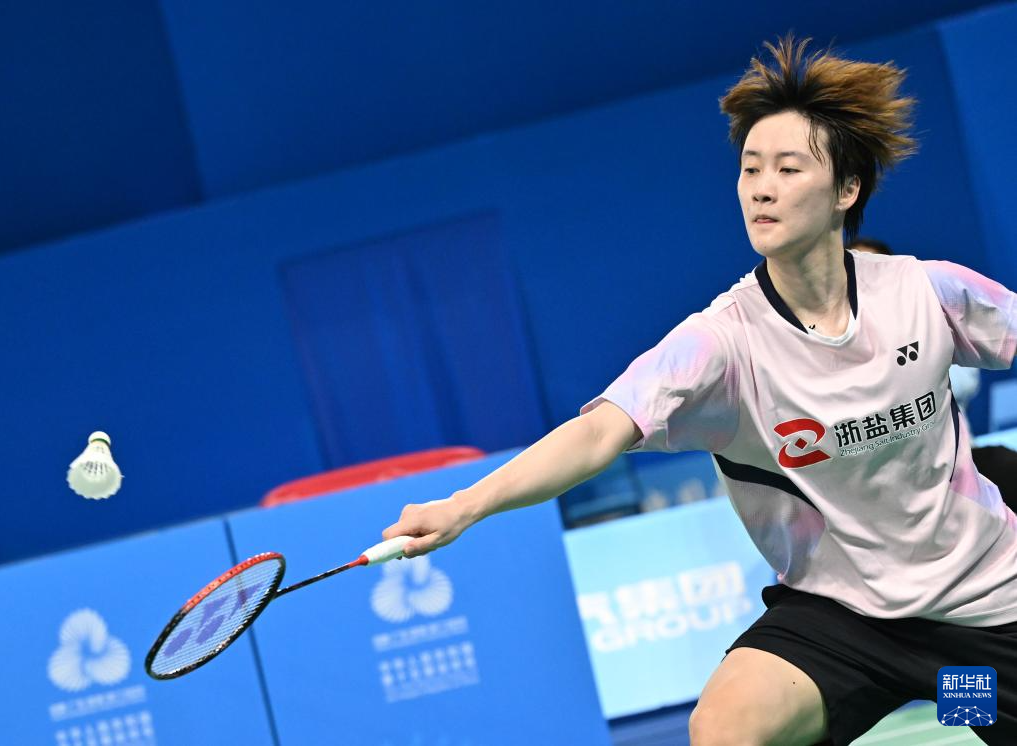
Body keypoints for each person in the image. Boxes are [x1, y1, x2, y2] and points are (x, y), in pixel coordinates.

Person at [382, 36, 1017, 745]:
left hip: (986, 605)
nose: (761, 187)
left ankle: (964, 703)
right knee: (722, 729)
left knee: (964, 703)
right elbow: (598, 432)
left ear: (847, 190)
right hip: (842, 621)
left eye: (787, 168)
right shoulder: (720, 343)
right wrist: (462, 506)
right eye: (749, 168)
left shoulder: (925, 291)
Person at [849, 237, 1017, 511]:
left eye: (871, 268)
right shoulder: (829, 351)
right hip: (882, 485)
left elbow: (964, 382)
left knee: (1006, 465)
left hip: (959, 465)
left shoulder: (929, 313)